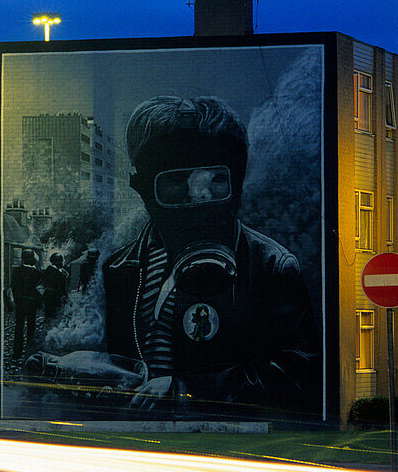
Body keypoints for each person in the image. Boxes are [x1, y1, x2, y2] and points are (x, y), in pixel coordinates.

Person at [102, 95, 319, 414]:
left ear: (238, 182)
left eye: (217, 179)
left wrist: (186, 391)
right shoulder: (120, 269)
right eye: (176, 181)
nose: (198, 198)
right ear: (143, 188)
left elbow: (298, 375)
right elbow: (119, 363)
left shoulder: (271, 266)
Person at [10, 249, 42, 359]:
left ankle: (17, 353)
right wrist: (38, 303)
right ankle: (30, 351)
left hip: (20, 304)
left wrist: (17, 301)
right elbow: (39, 291)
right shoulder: (37, 273)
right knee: (31, 328)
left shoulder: (16, 272)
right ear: (32, 259)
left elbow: (14, 288)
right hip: (31, 304)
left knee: (18, 328)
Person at [40, 253, 69, 322]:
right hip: (56, 298)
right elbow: (62, 288)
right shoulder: (59, 274)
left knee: (49, 317)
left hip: (49, 297)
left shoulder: (47, 271)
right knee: (56, 317)